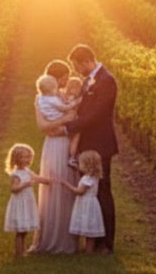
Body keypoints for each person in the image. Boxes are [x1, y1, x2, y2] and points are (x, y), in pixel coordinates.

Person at [63, 44, 118, 252]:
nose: (77, 71)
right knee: (90, 193)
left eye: (77, 66)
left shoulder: (106, 81)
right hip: (88, 144)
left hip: (100, 144)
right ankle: (93, 240)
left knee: (102, 191)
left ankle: (106, 243)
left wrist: (67, 127)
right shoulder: (90, 80)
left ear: (87, 61)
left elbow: (94, 114)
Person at [30, 59, 79, 254]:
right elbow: (43, 127)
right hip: (54, 146)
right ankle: (52, 238)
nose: (66, 82)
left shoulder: (65, 96)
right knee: (54, 184)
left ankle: (69, 238)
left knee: (67, 185)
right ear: (55, 79)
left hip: (65, 143)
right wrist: (64, 120)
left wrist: (65, 126)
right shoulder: (40, 99)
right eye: (64, 78)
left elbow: (74, 120)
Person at [3, 143, 49, 257]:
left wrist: (47, 180)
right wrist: (25, 184)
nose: (27, 159)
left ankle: (22, 251)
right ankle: (19, 252)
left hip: (27, 202)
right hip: (20, 203)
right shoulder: (16, 174)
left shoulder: (27, 171)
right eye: (24, 157)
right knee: (20, 231)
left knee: (25, 230)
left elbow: (36, 177)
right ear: (16, 159)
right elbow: (13, 189)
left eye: (29, 157)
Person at [62, 150, 106, 253]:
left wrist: (66, 185)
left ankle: (88, 251)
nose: (79, 165)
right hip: (91, 203)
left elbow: (79, 192)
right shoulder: (94, 176)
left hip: (86, 204)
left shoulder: (87, 179)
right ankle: (87, 249)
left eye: (80, 163)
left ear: (87, 165)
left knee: (87, 225)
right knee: (89, 227)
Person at [62, 76, 86, 169]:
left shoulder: (65, 97)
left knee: (73, 139)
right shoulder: (73, 99)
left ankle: (73, 156)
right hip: (72, 121)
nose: (75, 90)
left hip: (71, 120)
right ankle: (72, 157)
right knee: (76, 137)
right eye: (73, 88)